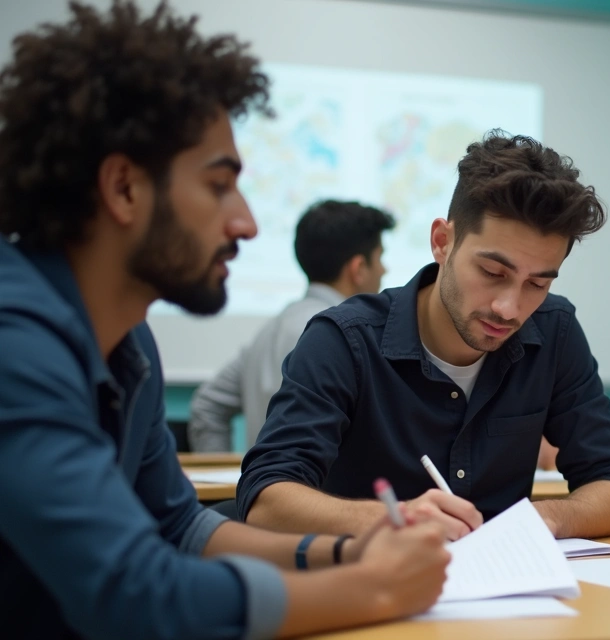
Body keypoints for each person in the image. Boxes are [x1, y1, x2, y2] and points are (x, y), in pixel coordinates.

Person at [0, 3, 450, 638]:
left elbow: (180, 526)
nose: (247, 223)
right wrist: (373, 588)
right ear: (124, 188)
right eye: (218, 186)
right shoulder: (14, 342)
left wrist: (349, 552)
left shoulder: (130, 345)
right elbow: (135, 595)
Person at [237, 132, 610, 541]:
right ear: (442, 243)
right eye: (492, 273)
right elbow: (266, 500)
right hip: (372, 576)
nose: (509, 308)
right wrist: (396, 520)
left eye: (537, 284)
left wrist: (549, 518)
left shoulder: (554, 330)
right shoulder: (345, 340)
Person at [188, 199, 396, 452]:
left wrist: (235, 475)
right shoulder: (348, 339)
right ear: (359, 269)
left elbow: (207, 405)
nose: (384, 270)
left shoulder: (269, 332)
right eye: (380, 257)